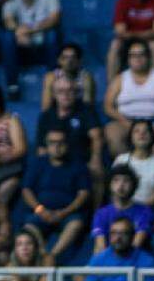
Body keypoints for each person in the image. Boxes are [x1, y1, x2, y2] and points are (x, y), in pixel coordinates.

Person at [34, 73, 104, 204]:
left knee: (97, 171)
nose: (65, 95)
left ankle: (95, 216)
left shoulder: (86, 110)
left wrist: (95, 159)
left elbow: (97, 136)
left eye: (70, 91)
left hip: (80, 161)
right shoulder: (46, 116)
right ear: (54, 94)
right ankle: (43, 212)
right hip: (55, 161)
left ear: (77, 93)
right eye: (61, 91)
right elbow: (41, 148)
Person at [21, 127, 90, 258]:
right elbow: (26, 190)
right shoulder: (37, 163)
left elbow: (83, 194)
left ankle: (52, 255)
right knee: (29, 227)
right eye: (52, 143)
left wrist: (64, 212)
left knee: (76, 224)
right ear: (46, 145)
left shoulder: (78, 164)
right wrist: (41, 210)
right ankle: (42, 254)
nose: (57, 146)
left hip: (68, 213)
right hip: (41, 213)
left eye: (61, 142)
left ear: (67, 144)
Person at [105, 44, 154, 158]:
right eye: (133, 55)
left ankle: (151, 166)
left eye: (141, 54)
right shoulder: (120, 79)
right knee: (112, 133)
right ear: (128, 59)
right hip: (127, 121)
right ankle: (126, 167)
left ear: (148, 57)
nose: (137, 58)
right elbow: (108, 106)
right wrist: (124, 121)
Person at [0, 0, 60, 99]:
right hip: (22, 51)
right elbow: (9, 21)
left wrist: (30, 30)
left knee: (52, 34)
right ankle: (12, 85)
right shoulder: (10, 3)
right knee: (7, 36)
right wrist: (18, 31)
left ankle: (54, 82)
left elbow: (54, 19)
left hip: (45, 47)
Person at [91, 164, 154, 252]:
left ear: (133, 185)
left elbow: (137, 243)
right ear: (109, 185)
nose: (121, 185)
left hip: (134, 260)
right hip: (108, 260)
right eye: (116, 180)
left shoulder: (144, 211)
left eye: (126, 181)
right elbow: (100, 246)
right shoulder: (101, 213)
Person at [113, 120, 154, 208]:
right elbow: (113, 189)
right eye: (137, 131)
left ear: (152, 136)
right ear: (131, 136)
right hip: (121, 207)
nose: (142, 134)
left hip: (148, 209)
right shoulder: (121, 159)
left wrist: (138, 209)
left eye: (146, 131)